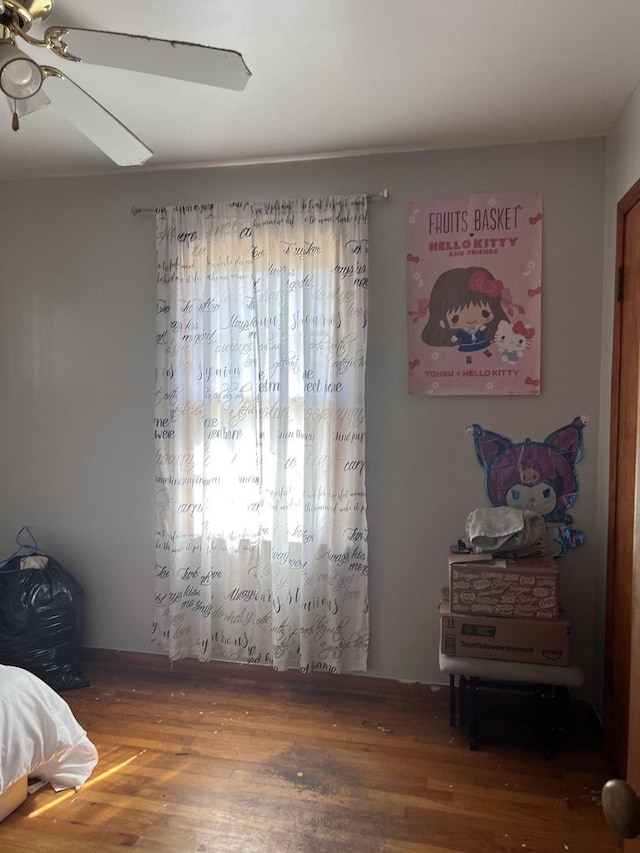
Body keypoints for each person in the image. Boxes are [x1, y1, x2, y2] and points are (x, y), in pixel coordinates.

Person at [421, 267, 509, 363]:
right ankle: (469, 360)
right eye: (455, 319)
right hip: (464, 349)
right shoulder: (459, 332)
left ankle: (486, 354)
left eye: (485, 313)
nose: (471, 320)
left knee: (484, 348)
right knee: (468, 353)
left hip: (482, 344)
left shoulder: (487, 329)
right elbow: (455, 337)